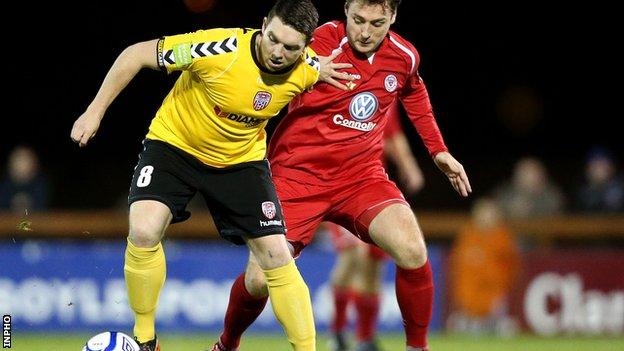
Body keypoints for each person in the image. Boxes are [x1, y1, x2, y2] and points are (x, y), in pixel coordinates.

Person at [70, 1, 353, 350]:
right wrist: (93, 112)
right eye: (273, 39)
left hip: (240, 162)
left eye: (291, 47)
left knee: (277, 257)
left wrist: (319, 68)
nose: (278, 52)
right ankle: (146, 338)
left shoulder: (307, 68)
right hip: (175, 146)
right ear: (264, 24)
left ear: (305, 48)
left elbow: (314, 67)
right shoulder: (219, 48)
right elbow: (134, 55)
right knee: (143, 229)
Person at [212, 1, 472, 351]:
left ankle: (417, 347)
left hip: (361, 178)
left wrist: (438, 151)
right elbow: (262, 73)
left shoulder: (404, 56)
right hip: (296, 176)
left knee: (412, 248)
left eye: (377, 23)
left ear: (393, 17)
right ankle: (227, 344)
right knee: (259, 280)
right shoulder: (314, 43)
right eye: (358, 20)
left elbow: (414, 91)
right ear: (346, 11)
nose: (365, 32)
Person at [327, 103, 425, 351]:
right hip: (339, 187)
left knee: (370, 264)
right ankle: (341, 334)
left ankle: (364, 338)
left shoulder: (385, 89)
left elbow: (391, 135)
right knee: (354, 259)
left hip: (371, 188)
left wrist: (408, 166)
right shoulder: (341, 79)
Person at [447, 198, 520, 335]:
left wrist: (499, 295)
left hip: (495, 299)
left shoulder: (503, 238)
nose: (486, 218)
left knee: (507, 330)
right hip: (469, 300)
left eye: (490, 214)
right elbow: (458, 271)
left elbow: (511, 270)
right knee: (458, 326)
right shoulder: (467, 237)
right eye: (483, 214)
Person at [494, 156, 564, 220]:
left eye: (534, 172)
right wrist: (510, 210)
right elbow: (495, 210)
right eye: (525, 172)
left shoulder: (552, 195)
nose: (531, 176)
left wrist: (531, 209)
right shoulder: (505, 193)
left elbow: (557, 214)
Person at [0, 145, 49, 214]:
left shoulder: (40, 186)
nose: (22, 164)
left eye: (26, 160)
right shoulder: (4, 187)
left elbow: (42, 208)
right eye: (18, 159)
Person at [575, 147, 623, 214]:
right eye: (595, 165)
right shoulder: (583, 192)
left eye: (602, 165)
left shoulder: (621, 188)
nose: (599, 170)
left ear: (612, 168)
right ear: (587, 170)